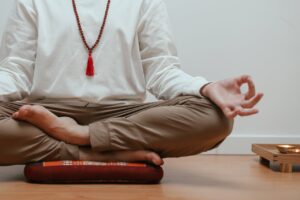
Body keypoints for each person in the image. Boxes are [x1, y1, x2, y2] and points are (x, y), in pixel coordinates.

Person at [0, 0, 263, 166]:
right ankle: (90, 152)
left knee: (216, 118)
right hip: (44, 114)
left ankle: (81, 137)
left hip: (124, 115)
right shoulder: (31, 2)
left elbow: (161, 69)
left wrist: (205, 87)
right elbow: (15, 72)